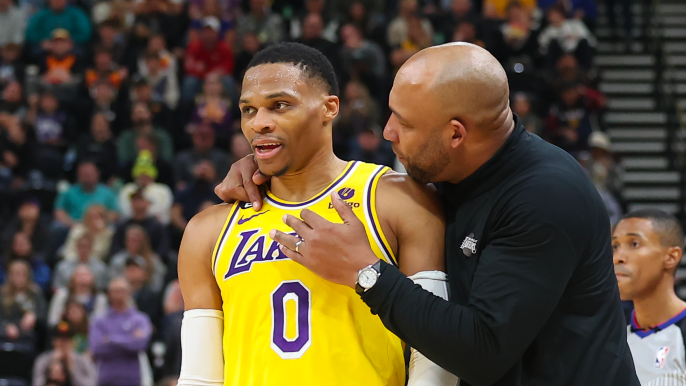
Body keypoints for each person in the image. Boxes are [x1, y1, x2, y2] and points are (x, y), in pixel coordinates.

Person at [215, 42, 639, 385]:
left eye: (405, 122)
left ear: (456, 134)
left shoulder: (544, 197)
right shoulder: (456, 168)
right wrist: (269, 162)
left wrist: (366, 272)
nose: (388, 132)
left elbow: (482, 353)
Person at [177, 42, 454, 386]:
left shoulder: (397, 199)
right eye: (248, 110)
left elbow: (434, 352)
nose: (259, 123)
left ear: (329, 108)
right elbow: (200, 376)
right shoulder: (208, 230)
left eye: (280, 105)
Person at [613, 210, 686, 384]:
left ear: (671, 257)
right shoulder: (610, 331)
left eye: (634, 244)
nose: (618, 258)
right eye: (615, 246)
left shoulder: (680, 333)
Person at [90, 277, 153, 386]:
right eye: (115, 291)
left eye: (122, 290)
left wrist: (110, 339)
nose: (119, 294)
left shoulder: (140, 319)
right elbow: (96, 347)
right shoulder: (99, 320)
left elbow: (140, 344)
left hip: (133, 379)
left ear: (130, 293)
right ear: (109, 294)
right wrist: (129, 338)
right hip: (106, 379)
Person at [32, 321, 98, 386]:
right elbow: (37, 383)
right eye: (60, 340)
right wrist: (51, 365)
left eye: (67, 340)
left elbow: (91, 383)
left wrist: (72, 369)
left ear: (73, 342)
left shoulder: (83, 360)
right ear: (54, 342)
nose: (63, 343)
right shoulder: (43, 359)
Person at [110, 188, 170, 259]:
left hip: (150, 263)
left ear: (148, 203)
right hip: (127, 263)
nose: (138, 204)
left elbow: (163, 249)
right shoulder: (122, 227)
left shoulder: (157, 227)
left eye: (141, 200)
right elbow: (115, 248)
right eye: (135, 201)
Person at [0, 260, 46, 350]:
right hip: (4, 334)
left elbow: (43, 313)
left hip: (28, 335)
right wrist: (6, 326)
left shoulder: (35, 293)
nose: (19, 277)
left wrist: (34, 316)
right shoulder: (2, 294)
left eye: (22, 274)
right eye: (15, 274)